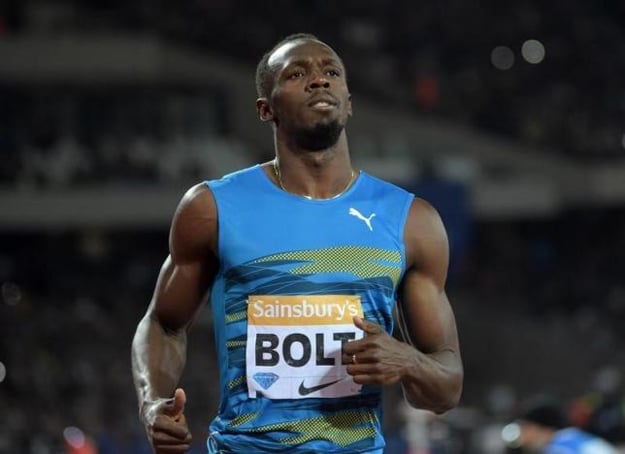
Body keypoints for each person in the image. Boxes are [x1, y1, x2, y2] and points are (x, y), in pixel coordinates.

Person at [131, 32, 463, 454]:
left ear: (349, 100)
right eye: (297, 74)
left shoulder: (412, 221)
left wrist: (407, 360)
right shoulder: (212, 207)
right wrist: (152, 404)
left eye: (331, 72)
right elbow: (163, 323)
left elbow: (446, 388)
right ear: (265, 109)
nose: (319, 80)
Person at [504, 396, 618, 454]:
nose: (524, 436)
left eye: (527, 428)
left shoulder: (558, 447)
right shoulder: (575, 437)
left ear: (540, 428)